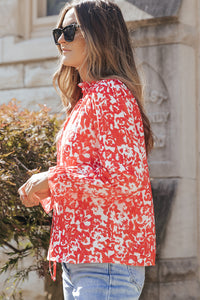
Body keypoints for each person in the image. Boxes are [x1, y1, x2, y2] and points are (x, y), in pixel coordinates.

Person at [18, 1, 156, 299]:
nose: (61, 40)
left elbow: (125, 179)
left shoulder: (111, 94)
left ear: (100, 34)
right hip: (85, 260)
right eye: (58, 32)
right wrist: (49, 188)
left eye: (70, 31)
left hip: (105, 261)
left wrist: (53, 180)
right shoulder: (88, 98)